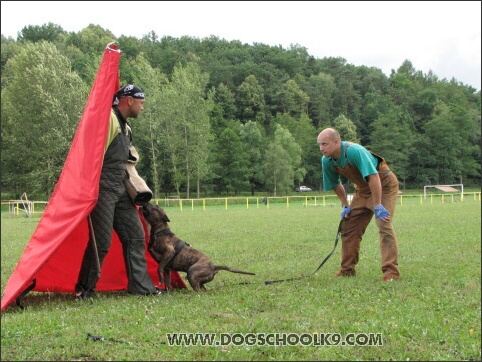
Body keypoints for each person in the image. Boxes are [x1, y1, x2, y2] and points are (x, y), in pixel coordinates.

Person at [75, 84, 164, 298]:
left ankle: (141, 287)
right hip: (103, 187)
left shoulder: (126, 127)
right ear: (129, 100)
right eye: (141, 103)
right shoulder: (109, 119)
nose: (143, 107)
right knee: (102, 241)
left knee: (136, 235)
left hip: (121, 187)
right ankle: (84, 290)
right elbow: (93, 154)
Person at [317, 128, 400, 281]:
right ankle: (347, 270)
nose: (321, 148)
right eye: (319, 145)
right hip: (362, 190)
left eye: (325, 144)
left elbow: (374, 177)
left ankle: (391, 272)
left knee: (384, 225)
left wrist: (378, 206)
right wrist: (345, 205)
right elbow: (335, 184)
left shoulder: (354, 151)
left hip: (384, 185)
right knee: (348, 227)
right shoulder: (327, 161)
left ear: (336, 142)